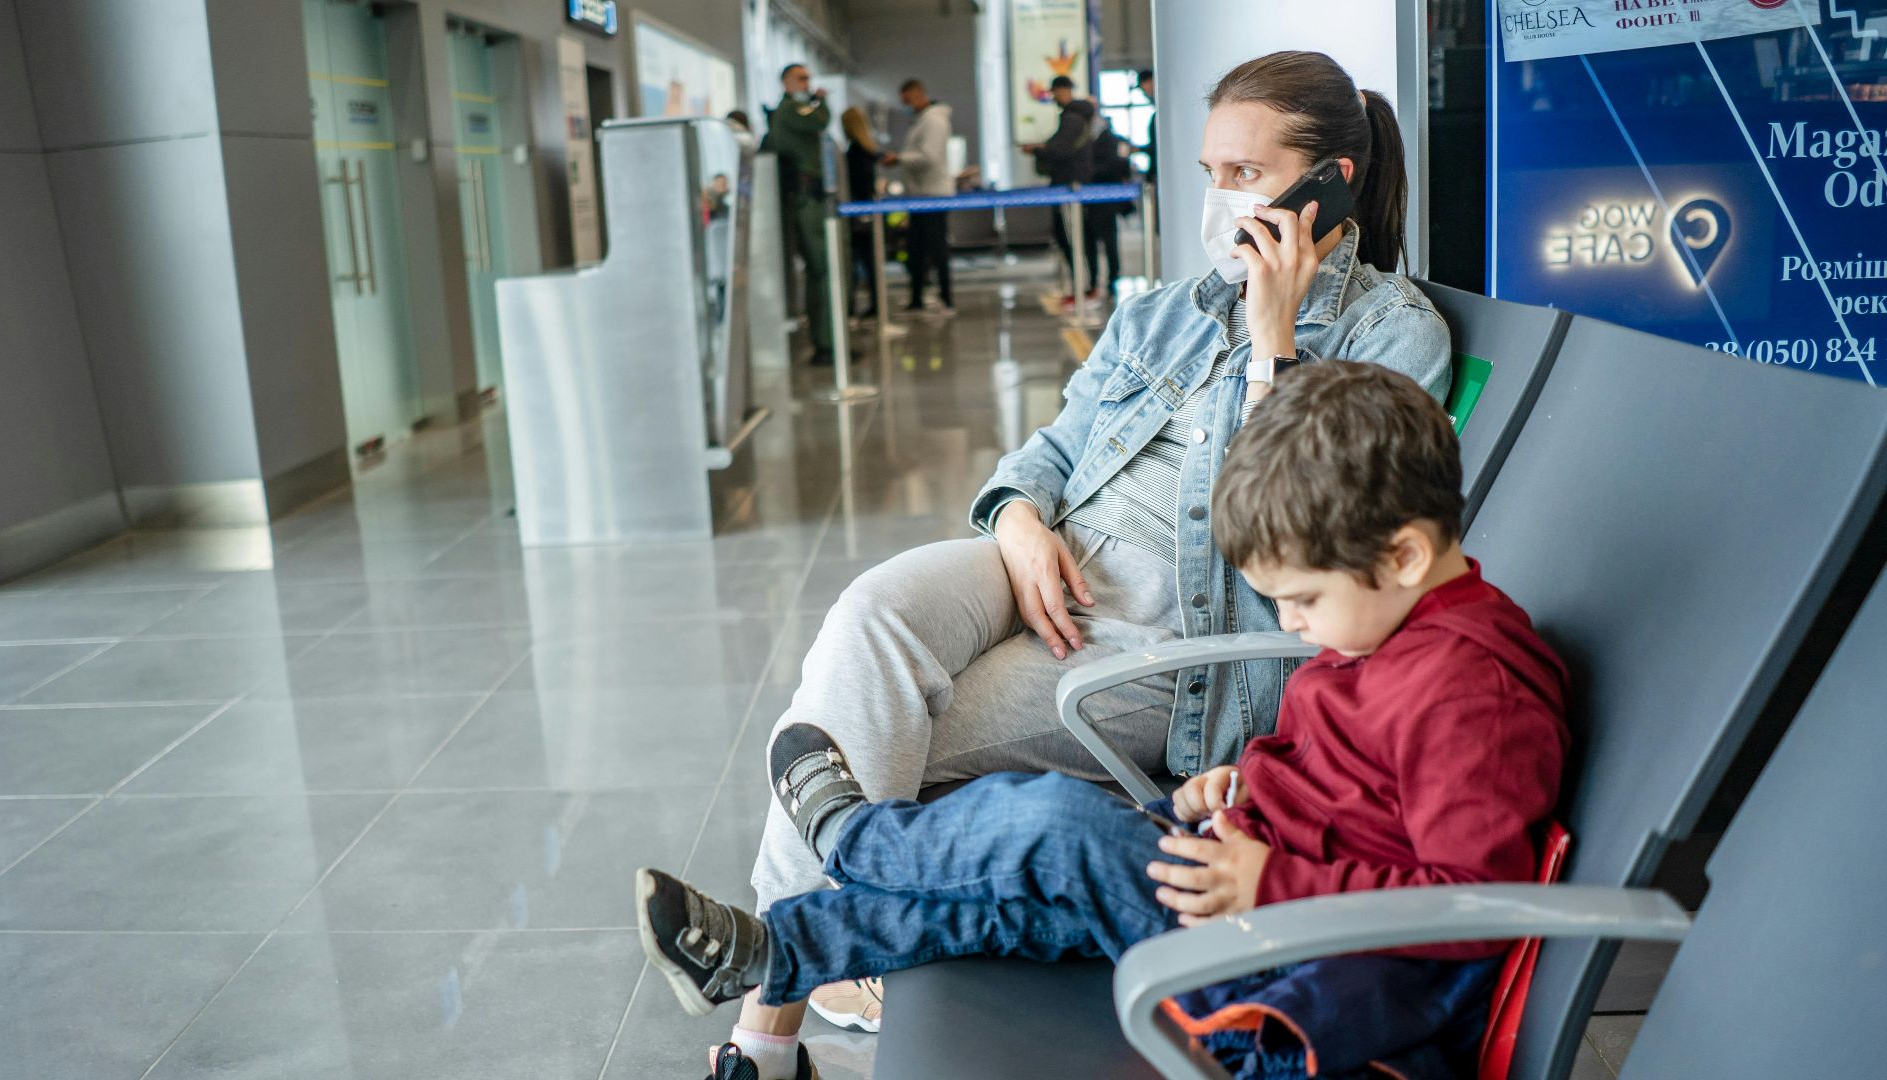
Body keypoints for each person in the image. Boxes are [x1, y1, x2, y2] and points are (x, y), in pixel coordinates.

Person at [729, 49, 1452, 1076]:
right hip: (1049, 558)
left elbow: (1291, 538)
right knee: (871, 615)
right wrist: (1019, 518)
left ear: (1328, 180)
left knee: (873, 742)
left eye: (1245, 175)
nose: (1218, 199)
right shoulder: (1162, 308)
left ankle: (763, 1027)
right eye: (1210, 172)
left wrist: (1271, 345)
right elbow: (1054, 451)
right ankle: (812, 971)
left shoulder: (1392, 332)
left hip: (1166, 632)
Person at [639, 361, 1568, 1080]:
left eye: (1301, 600)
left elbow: (1471, 904)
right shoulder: (1388, 631)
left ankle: (858, 838)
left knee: (1055, 829)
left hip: (1290, 983)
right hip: (1245, 907)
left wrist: (1269, 881)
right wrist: (1246, 786)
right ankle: (777, 952)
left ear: (1404, 554)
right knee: (1011, 901)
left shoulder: (1468, 695)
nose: (1290, 626)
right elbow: (1358, 786)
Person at [762, 63, 840, 367]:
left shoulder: (794, 110)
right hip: (806, 198)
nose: (807, 84)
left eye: (809, 78)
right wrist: (822, 102)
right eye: (801, 79)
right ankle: (825, 342)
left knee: (821, 270)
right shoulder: (791, 111)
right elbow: (820, 121)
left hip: (810, 196)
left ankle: (827, 340)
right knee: (822, 268)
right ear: (786, 82)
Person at [1021, 75, 1101, 306]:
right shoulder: (1077, 117)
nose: (1054, 97)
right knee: (1077, 238)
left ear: (1064, 91)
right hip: (1072, 186)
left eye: (1055, 92)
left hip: (1069, 188)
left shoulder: (1072, 118)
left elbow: (1060, 151)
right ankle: (1084, 288)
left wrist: (1037, 151)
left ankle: (1085, 290)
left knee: (1074, 238)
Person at [885, 78, 955, 315]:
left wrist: (900, 158)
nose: (905, 105)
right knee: (915, 249)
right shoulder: (922, 120)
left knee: (937, 249)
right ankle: (916, 298)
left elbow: (929, 157)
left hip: (933, 195)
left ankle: (947, 298)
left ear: (917, 95)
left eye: (906, 101)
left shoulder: (934, 120)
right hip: (919, 195)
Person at [840, 106, 882, 319]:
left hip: (859, 214)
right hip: (866, 212)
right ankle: (873, 305)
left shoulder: (855, 153)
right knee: (868, 261)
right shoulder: (866, 150)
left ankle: (854, 307)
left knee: (860, 262)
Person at [1084, 120, 1133, 296]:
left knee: (1108, 241)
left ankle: (1111, 279)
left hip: (1104, 200)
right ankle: (1098, 280)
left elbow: (1117, 166)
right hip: (1094, 200)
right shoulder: (1093, 140)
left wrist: (1089, 173)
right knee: (1097, 242)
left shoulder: (1109, 140)